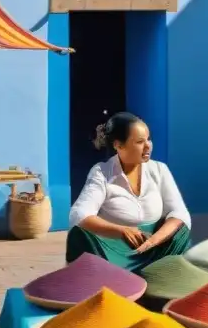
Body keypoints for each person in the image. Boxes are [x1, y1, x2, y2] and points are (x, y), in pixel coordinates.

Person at [65, 112, 192, 272]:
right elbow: (79, 214)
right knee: (78, 236)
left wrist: (154, 240)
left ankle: (154, 271)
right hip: (117, 251)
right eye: (140, 141)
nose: (148, 146)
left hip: (155, 246)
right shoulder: (102, 173)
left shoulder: (159, 169)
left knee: (181, 232)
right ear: (119, 145)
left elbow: (179, 212)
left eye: (149, 139)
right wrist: (122, 231)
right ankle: (122, 275)